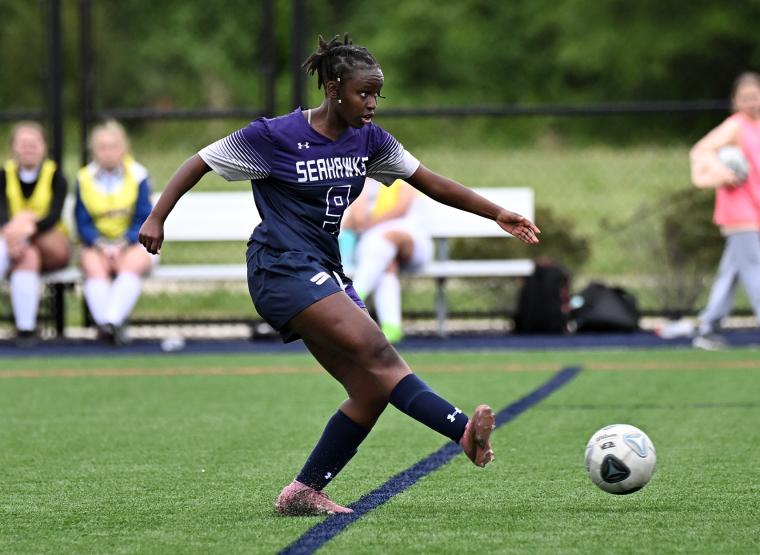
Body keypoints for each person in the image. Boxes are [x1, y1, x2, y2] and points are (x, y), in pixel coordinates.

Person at [139, 34, 539, 516]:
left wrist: (497, 214)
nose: (371, 104)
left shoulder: (370, 140)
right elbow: (197, 163)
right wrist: (157, 217)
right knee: (377, 350)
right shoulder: (275, 135)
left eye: (376, 94)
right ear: (333, 89)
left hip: (324, 268)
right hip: (279, 266)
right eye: (362, 93)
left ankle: (303, 492)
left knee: (371, 389)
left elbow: (431, 182)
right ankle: (461, 431)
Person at [689, 72, 760, 350]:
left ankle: (708, 326)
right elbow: (701, 152)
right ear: (735, 101)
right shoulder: (734, 126)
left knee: (732, 270)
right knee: (754, 267)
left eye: (755, 96)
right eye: (744, 98)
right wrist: (722, 172)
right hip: (738, 211)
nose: (751, 103)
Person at [75, 120, 154, 345]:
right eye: (102, 147)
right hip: (96, 245)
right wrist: (100, 245)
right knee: (92, 264)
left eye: (113, 146)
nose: (108, 152)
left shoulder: (138, 175)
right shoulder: (84, 178)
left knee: (133, 262)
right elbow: (82, 222)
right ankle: (109, 326)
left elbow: (143, 218)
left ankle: (110, 322)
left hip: (132, 243)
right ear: (94, 150)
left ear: (124, 148)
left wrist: (122, 244)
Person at [0, 122, 70, 346]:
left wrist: (26, 226)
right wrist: (16, 232)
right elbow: (1, 214)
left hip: (49, 243)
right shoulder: (4, 175)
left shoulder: (56, 176)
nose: (29, 148)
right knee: (27, 255)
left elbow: (53, 217)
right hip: (17, 246)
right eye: (23, 144)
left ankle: (26, 328)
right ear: (13, 148)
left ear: (44, 147)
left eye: (34, 143)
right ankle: (26, 329)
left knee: (23, 244)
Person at [342, 176, 433, 343]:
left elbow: (400, 209)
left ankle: (353, 296)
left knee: (386, 238)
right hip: (374, 249)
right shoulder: (361, 184)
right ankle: (392, 327)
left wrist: (370, 224)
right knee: (385, 263)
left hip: (411, 243)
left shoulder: (402, 177)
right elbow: (358, 219)